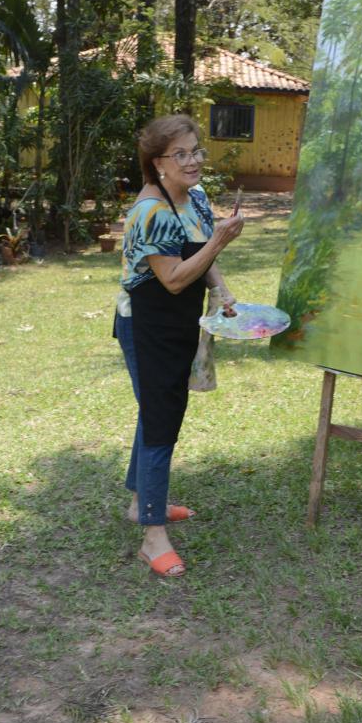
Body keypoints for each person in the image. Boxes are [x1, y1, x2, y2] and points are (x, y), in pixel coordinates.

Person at [114, 114, 243, 578]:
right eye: (181, 154)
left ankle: (140, 501)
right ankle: (152, 535)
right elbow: (170, 279)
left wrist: (222, 291)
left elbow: (201, 256)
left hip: (176, 322)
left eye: (196, 150)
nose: (193, 161)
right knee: (160, 418)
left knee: (158, 409)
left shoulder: (197, 198)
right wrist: (222, 241)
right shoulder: (151, 211)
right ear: (157, 164)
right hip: (147, 324)